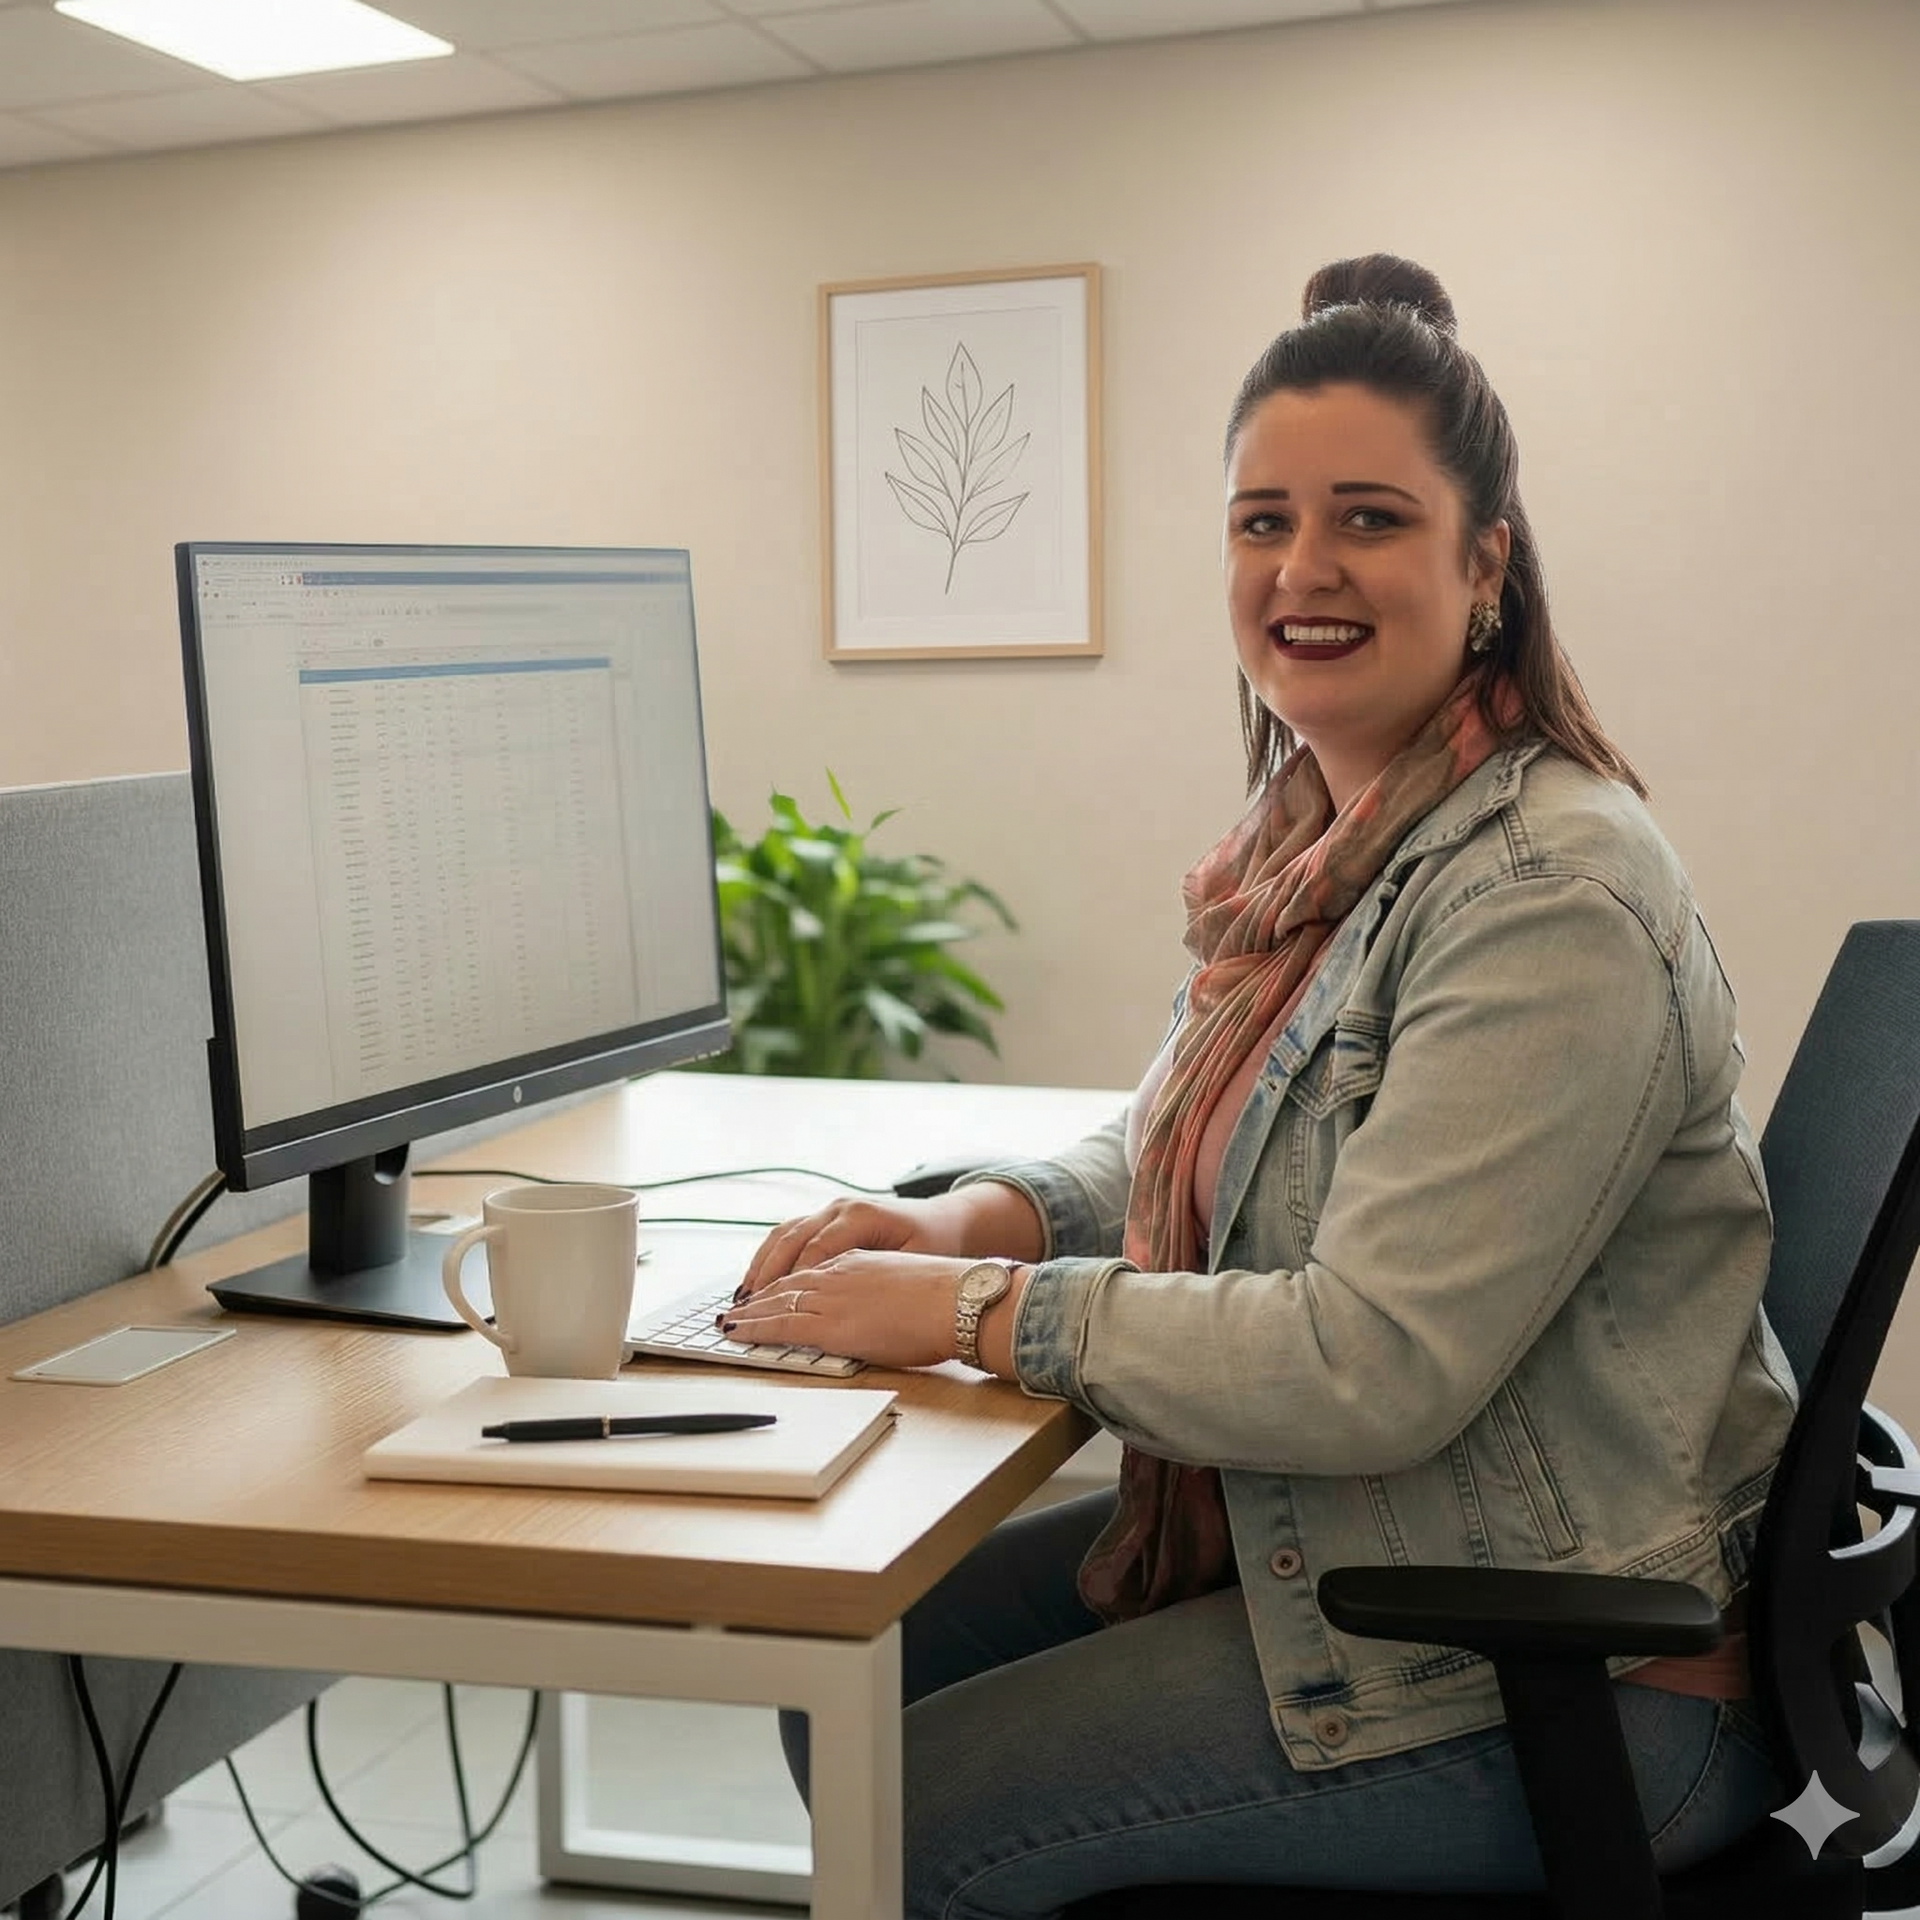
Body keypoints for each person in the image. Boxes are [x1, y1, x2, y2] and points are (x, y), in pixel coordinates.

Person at [723, 254, 1797, 1917]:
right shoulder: (1326, 847)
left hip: (1581, 1672)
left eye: (1370, 518)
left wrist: (976, 1315)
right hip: (1398, 1560)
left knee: (918, 1806)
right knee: (854, 1673)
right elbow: (1191, 1137)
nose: (1305, 568)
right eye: (1260, 522)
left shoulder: (1542, 897)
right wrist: (971, 1219)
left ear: (1485, 560)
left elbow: (1367, 1365)